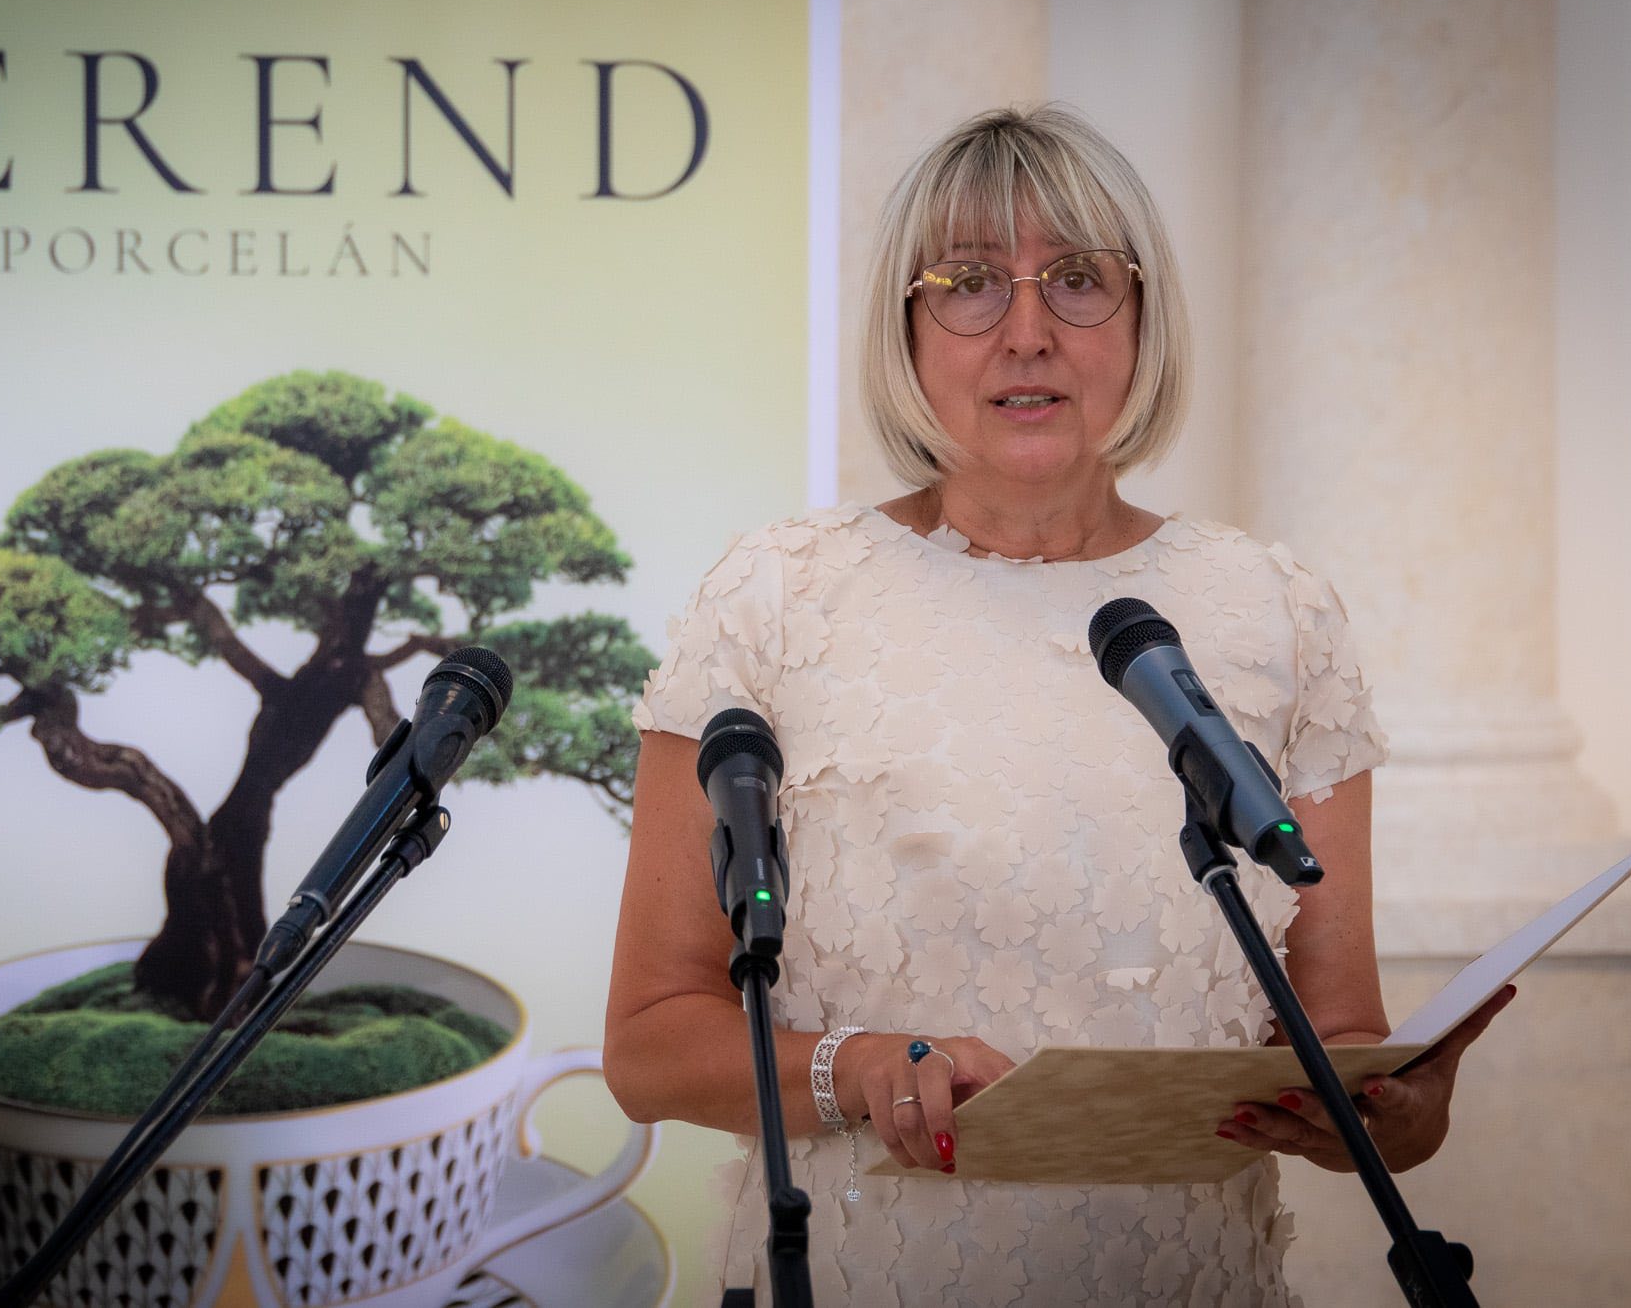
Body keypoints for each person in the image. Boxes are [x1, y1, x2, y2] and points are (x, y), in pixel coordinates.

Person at [601, 104, 1512, 1306]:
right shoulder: (774, 595)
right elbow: (650, 1039)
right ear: (904, 328)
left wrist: (1395, 1111)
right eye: (968, 283)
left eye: (1076, 280)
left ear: (1140, 318)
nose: (1025, 333)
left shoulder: (1274, 610)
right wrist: (851, 1068)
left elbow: (1338, 1034)